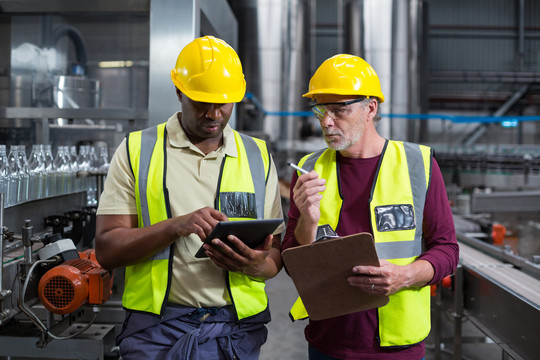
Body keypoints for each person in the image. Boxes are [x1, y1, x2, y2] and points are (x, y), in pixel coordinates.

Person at [95, 36, 284, 360]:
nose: (213, 113)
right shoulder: (137, 150)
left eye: (223, 102)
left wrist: (258, 266)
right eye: (200, 102)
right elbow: (107, 251)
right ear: (179, 91)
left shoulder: (258, 156)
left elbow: (276, 255)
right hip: (155, 332)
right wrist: (174, 227)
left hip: (235, 334)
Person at [282, 54, 459, 360]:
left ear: (370, 108)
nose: (326, 121)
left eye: (339, 109)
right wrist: (307, 222)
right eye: (320, 109)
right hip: (328, 342)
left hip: (397, 346)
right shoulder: (308, 169)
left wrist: (405, 275)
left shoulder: (418, 165)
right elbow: (290, 258)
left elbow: (447, 250)